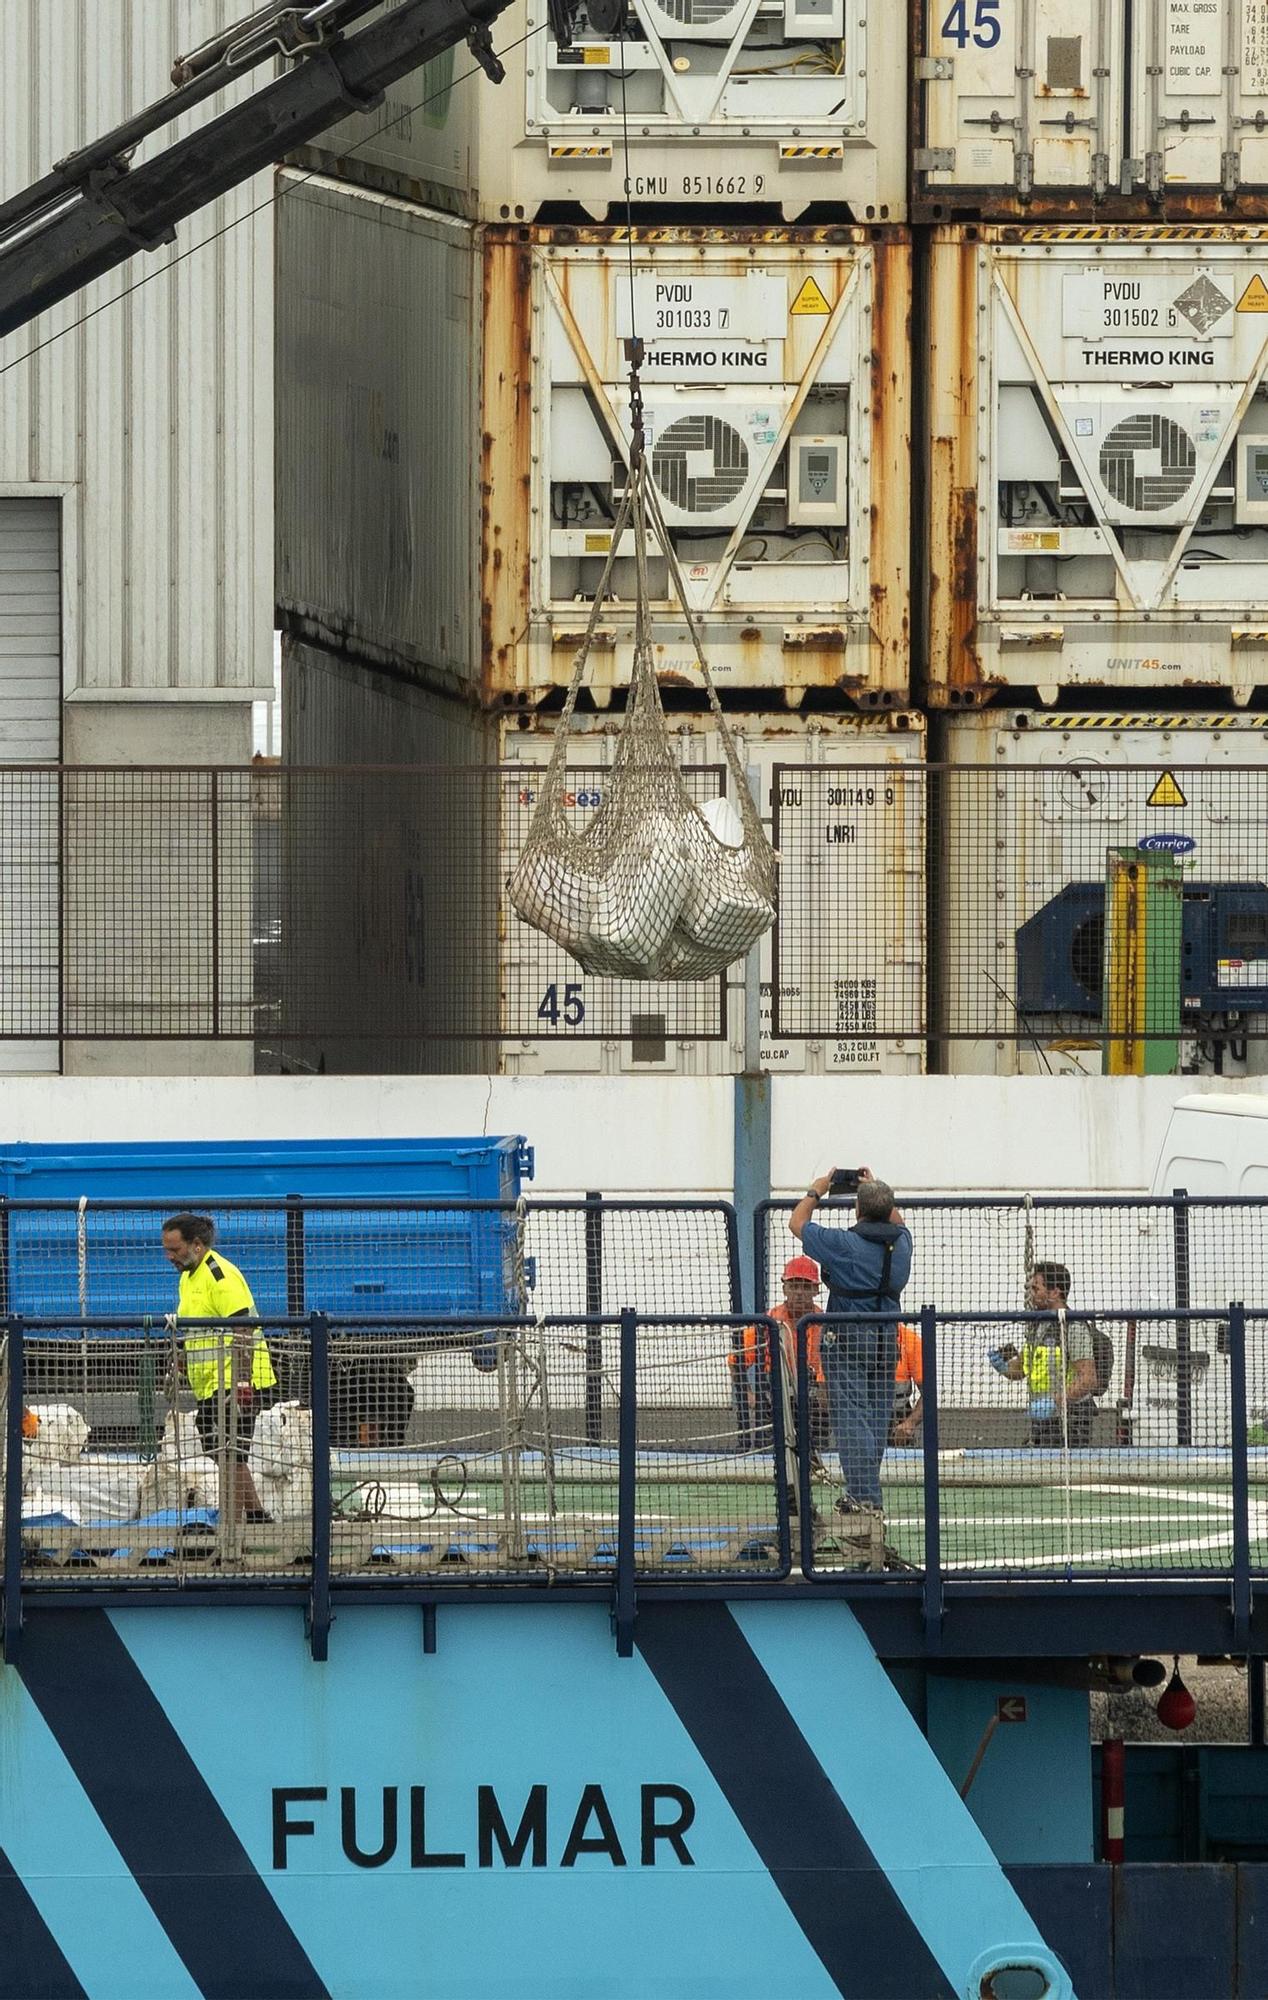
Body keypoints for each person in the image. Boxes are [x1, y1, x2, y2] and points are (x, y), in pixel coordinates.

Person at [789, 1168, 912, 1540]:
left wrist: (818, 1189)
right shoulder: (902, 1243)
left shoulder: (845, 1245)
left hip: (847, 1335)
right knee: (876, 1416)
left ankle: (863, 1499)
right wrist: (872, 1187)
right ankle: (867, 1496)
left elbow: (798, 1222)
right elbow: (897, 1219)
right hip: (886, 1335)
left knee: (851, 1419)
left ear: (857, 1209)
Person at [161, 1212, 277, 1521]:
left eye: (174, 1249)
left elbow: (243, 1329)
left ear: (196, 1245)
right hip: (211, 1381)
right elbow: (196, 1326)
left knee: (230, 1451)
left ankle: (233, 1523)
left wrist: (242, 1382)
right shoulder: (188, 1277)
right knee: (222, 1449)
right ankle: (254, 1514)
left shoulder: (220, 1276)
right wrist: (183, 1357)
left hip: (235, 1380)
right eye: (167, 1249)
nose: (169, 1256)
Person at [990, 1260, 1100, 1449]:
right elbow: (1023, 1369)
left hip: (1071, 1421)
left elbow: (1088, 1379)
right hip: (1045, 1420)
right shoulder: (1038, 1325)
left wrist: (1054, 1402)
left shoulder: (1072, 1327)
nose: (1032, 1295)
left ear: (1055, 1292)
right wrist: (1004, 1367)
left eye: (1036, 1289)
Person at [734, 1255, 829, 1455]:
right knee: (771, 1454)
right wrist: (749, 1394)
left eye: (805, 1286)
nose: (799, 1293)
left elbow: (833, 1364)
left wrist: (826, 1395)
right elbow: (737, 1360)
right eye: (794, 1286)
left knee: (817, 1454)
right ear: (784, 1288)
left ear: (815, 1290)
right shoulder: (768, 1322)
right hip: (773, 1401)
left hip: (813, 1404)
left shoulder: (824, 1324)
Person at [889, 1323, 924, 1445]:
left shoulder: (910, 1341)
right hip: (863, 1414)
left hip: (898, 1416)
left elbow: (929, 1395)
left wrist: (909, 1424)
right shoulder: (851, 1339)